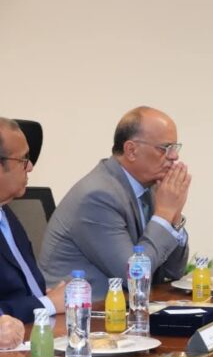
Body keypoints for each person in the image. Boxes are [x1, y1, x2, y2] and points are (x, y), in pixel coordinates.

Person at [39, 106, 191, 299]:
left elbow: (173, 272)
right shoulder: (98, 196)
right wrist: (164, 215)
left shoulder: (152, 189)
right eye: (165, 148)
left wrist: (174, 218)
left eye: (175, 148)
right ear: (131, 150)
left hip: (126, 306)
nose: (174, 156)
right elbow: (134, 277)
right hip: (82, 311)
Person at [0, 118, 61, 342]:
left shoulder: (7, 214)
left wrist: (47, 297)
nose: (30, 167)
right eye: (23, 159)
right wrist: (48, 303)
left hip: (35, 333)